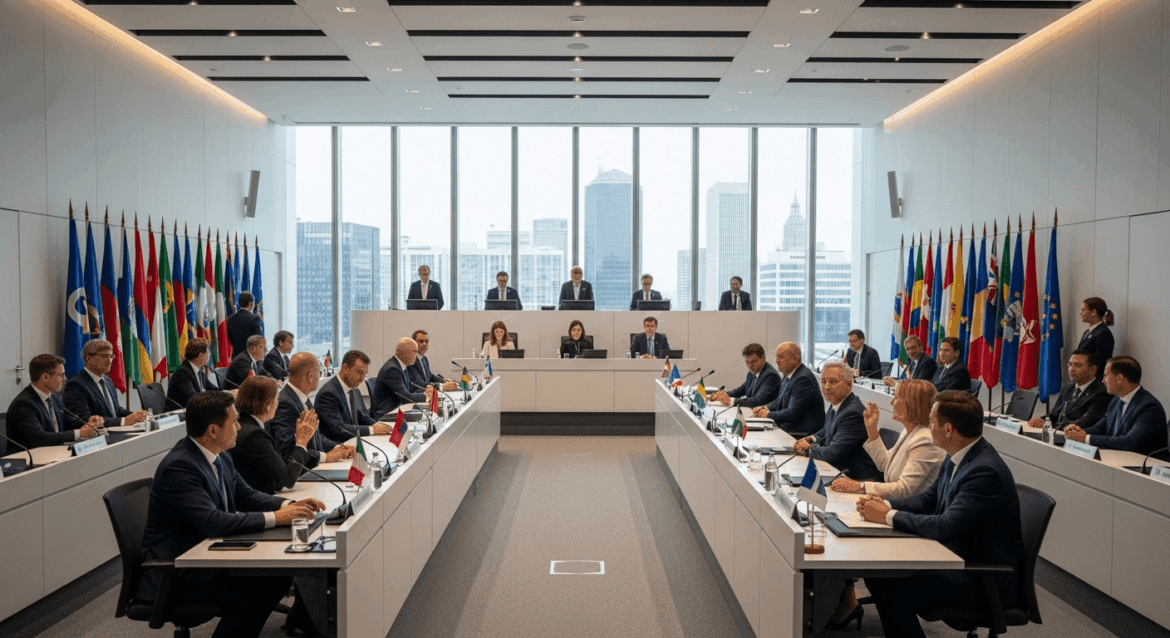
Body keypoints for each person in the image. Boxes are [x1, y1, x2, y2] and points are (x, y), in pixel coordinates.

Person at [137, 391, 325, 638]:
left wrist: (290, 504)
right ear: (213, 430)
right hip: (180, 571)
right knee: (257, 589)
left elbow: (246, 495)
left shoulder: (220, 454)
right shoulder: (180, 466)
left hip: (208, 555)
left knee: (277, 577)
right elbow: (213, 522)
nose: (239, 427)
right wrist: (277, 518)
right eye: (234, 422)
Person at [857, 391, 1024, 638]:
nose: (928, 426)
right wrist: (884, 504)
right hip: (953, 559)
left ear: (948, 429)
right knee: (879, 574)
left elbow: (946, 526)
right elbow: (928, 500)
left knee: (891, 587)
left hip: (980, 578)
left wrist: (886, 516)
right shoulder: (958, 454)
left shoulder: (984, 471)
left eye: (931, 421)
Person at [826, 379, 945, 627]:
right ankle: (845, 598)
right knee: (838, 522)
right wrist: (872, 431)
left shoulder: (925, 440)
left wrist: (860, 487)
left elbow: (904, 489)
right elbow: (885, 466)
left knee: (845, 535)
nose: (892, 402)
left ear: (911, 404)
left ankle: (844, 599)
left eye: (897, 397)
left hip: (910, 518)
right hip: (893, 509)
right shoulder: (910, 432)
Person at [793, 362, 882, 481]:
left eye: (833, 382)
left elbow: (831, 454)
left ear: (849, 385)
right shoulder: (838, 403)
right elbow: (827, 431)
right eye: (823, 382)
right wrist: (811, 439)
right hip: (837, 471)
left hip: (855, 480)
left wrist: (808, 448)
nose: (826, 387)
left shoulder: (852, 413)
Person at [228, 376, 318, 494]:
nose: (278, 403)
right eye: (276, 399)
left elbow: (280, 465)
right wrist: (302, 441)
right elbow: (287, 479)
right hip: (258, 499)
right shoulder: (254, 436)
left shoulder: (252, 425)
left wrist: (298, 438)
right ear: (268, 405)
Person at [1065, 356, 1168, 454]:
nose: (1103, 381)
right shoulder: (1115, 401)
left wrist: (1086, 438)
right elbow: (1100, 428)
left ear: (1119, 378)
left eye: (1106, 376)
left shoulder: (1149, 407)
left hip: (1143, 463)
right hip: (1117, 458)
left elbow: (1130, 442)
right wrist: (1077, 432)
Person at [268, 352, 355, 464]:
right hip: (303, 471)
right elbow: (286, 449)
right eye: (319, 373)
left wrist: (338, 448)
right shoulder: (285, 403)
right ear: (310, 377)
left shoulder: (302, 398)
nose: (319, 377)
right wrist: (325, 457)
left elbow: (314, 436)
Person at [6, 354, 103, 450]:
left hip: (54, 452)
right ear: (45, 378)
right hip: (31, 457)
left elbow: (67, 422)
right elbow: (39, 438)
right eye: (61, 375)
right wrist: (78, 433)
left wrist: (88, 423)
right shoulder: (23, 404)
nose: (65, 378)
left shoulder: (54, 397)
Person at [63, 339, 147, 428]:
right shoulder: (76, 385)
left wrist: (135, 415)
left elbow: (115, 410)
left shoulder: (107, 380)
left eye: (111, 356)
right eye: (104, 356)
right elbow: (84, 420)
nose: (110, 360)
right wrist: (124, 421)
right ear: (89, 358)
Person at [314, 350, 394, 442]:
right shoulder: (328, 394)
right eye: (359, 372)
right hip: (339, 445)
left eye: (365, 373)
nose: (362, 378)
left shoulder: (351, 388)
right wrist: (372, 430)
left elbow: (359, 415)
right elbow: (338, 428)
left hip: (353, 439)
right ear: (345, 368)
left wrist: (377, 425)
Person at [1026, 349, 1110, 430]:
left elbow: (1086, 422)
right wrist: (1042, 420)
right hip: (1058, 432)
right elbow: (1055, 414)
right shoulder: (1068, 388)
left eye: (1077, 365)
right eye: (1070, 364)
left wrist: (1049, 426)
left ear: (1092, 369)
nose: (1071, 369)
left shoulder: (1101, 393)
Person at [754, 342, 822, 435]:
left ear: (795, 359)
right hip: (788, 427)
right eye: (776, 357)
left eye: (781, 357)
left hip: (800, 433)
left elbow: (792, 413)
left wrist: (768, 414)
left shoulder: (803, 379)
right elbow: (780, 399)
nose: (776, 361)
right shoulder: (788, 374)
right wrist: (766, 407)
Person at [373, 338, 433, 419]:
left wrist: (426, 390)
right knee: (425, 418)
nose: (416, 355)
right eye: (414, 351)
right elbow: (406, 397)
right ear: (404, 352)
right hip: (386, 415)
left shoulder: (401, 365)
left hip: (398, 410)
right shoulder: (392, 369)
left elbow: (411, 386)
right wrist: (427, 396)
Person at [710, 343, 781, 408]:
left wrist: (731, 401)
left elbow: (758, 400)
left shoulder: (770, 376)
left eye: (753, 362)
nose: (750, 366)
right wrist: (722, 395)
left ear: (763, 359)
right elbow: (741, 390)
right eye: (747, 362)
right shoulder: (752, 372)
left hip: (764, 415)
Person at [168, 338, 218, 408]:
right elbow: (192, 398)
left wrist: (226, 394)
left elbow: (212, 388)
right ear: (200, 355)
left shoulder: (199, 370)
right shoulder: (182, 373)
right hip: (180, 412)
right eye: (208, 352)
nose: (209, 355)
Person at [1078, 297, 1115, 380]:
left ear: (1093, 312)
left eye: (1083, 310)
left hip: (1093, 381)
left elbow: (1102, 362)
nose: (1080, 313)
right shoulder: (1088, 331)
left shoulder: (1103, 333)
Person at [226, 291, 263, 358]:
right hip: (250, 357)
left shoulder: (230, 319)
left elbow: (230, 338)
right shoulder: (254, 319)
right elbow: (259, 340)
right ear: (250, 304)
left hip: (236, 357)